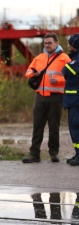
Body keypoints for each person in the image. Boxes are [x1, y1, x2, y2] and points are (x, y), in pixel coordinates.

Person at [22, 32, 71, 163]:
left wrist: (59, 81)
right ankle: (34, 154)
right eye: (45, 43)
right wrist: (33, 73)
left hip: (56, 97)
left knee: (54, 127)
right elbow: (27, 72)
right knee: (37, 126)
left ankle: (54, 153)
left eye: (50, 43)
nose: (47, 45)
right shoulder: (39, 58)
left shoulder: (65, 58)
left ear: (56, 43)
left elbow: (72, 78)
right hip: (40, 97)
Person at [62, 33, 79, 166]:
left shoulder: (77, 60)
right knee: (74, 128)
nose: (67, 45)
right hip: (73, 100)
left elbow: (67, 70)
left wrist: (68, 64)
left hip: (76, 101)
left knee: (75, 127)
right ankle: (77, 154)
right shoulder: (75, 57)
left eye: (69, 43)